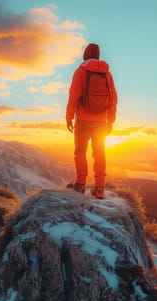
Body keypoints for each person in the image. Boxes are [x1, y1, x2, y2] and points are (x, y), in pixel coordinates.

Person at [65, 43, 117, 200]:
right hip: (102, 121)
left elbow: (73, 96)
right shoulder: (107, 74)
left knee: (80, 151)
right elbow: (113, 98)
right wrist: (111, 121)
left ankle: (80, 184)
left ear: (85, 54)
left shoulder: (80, 72)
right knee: (99, 152)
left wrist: (68, 117)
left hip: (83, 120)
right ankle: (99, 188)